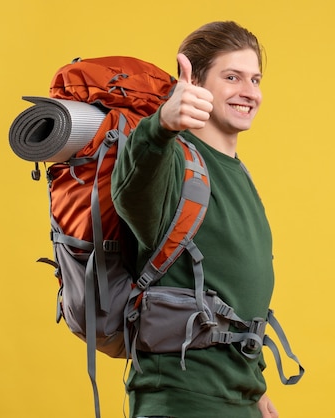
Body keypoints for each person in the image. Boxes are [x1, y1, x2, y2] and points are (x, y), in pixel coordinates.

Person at [111, 21, 280, 418]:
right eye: (232, 77)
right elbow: (131, 189)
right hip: (182, 401)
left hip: (235, 397)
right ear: (196, 84)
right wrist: (161, 126)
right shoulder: (172, 162)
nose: (249, 92)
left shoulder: (235, 171)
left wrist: (253, 387)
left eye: (255, 79)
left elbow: (233, 294)